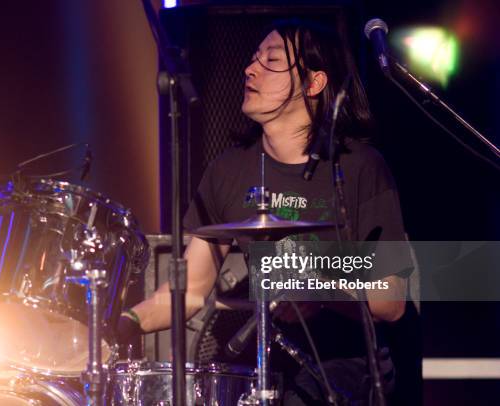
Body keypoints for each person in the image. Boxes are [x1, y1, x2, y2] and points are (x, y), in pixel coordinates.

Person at [118, 18, 414, 405]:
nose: (250, 68)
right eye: (254, 58)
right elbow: (189, 291)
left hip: (345, 366)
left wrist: (322, 293)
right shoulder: (228, 170)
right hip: (266, 358)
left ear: (314, 83)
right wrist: (124, 323)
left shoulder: (360, 167)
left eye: (271, 60)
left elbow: (391, 302)